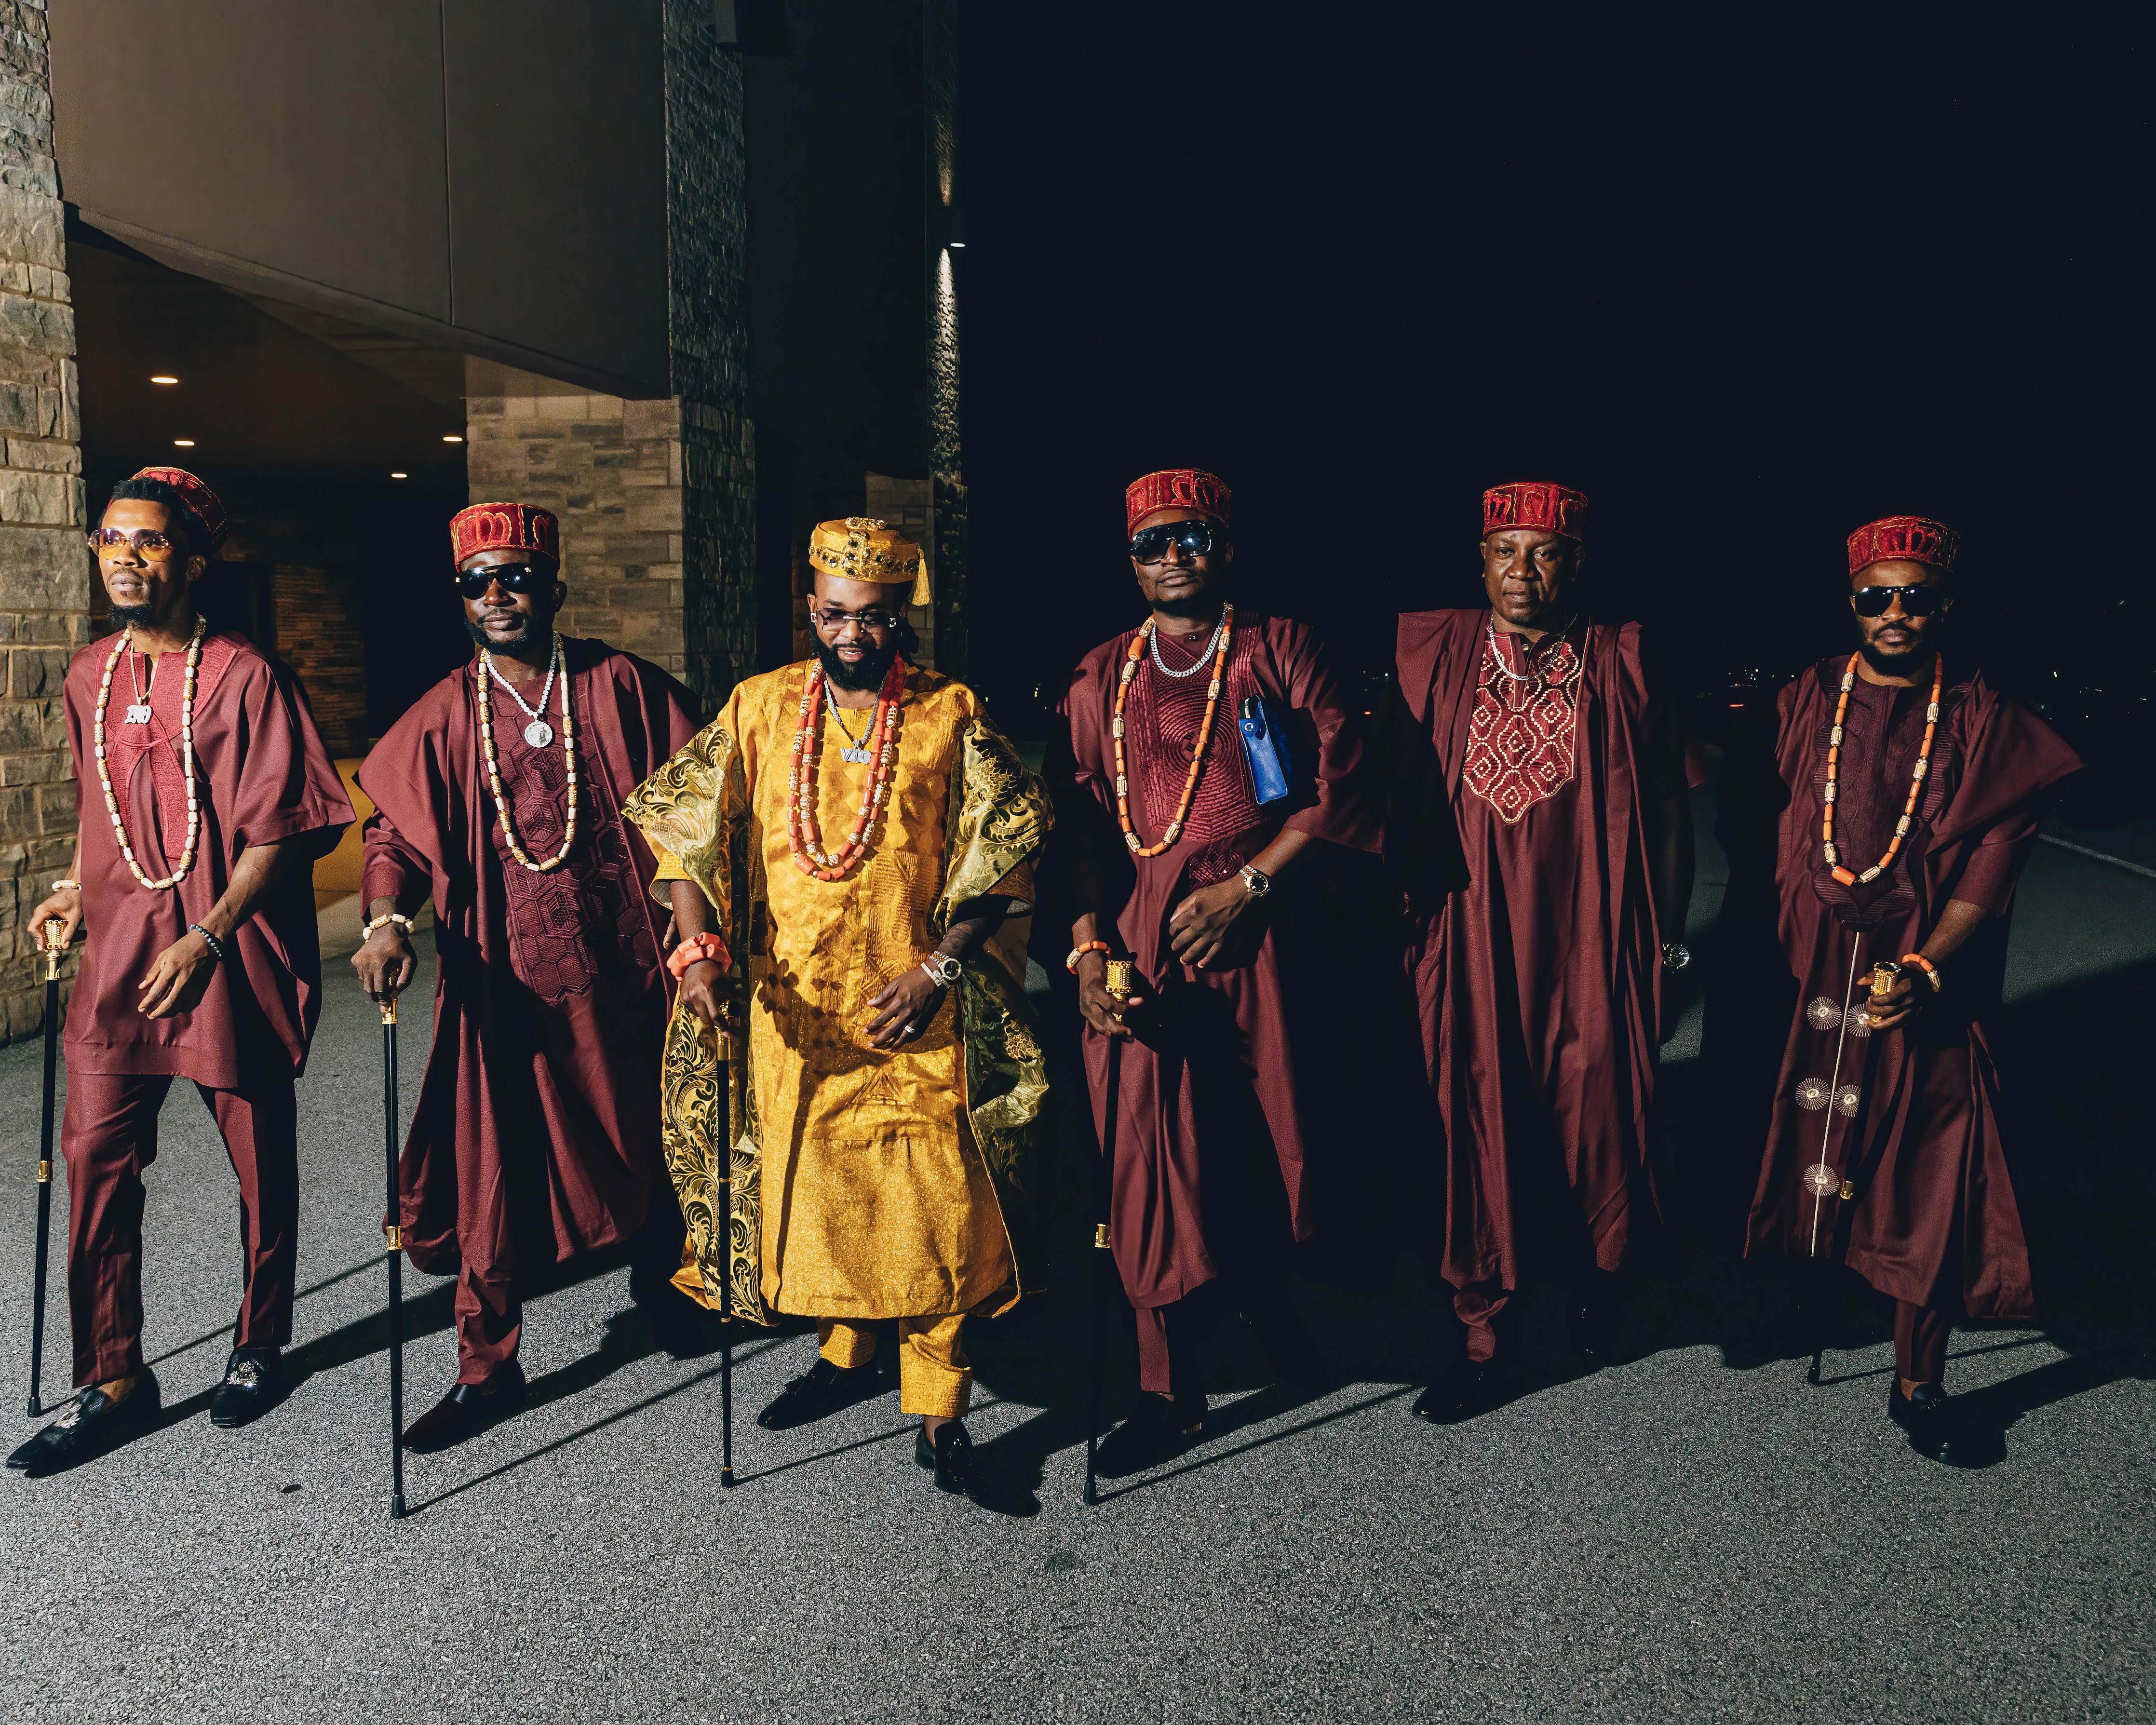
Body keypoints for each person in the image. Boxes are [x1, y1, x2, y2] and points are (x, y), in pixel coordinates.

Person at [623, 517, 1051, 1497]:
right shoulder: (761, 705)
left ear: (897, 614)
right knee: (827, 1206)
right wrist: (696, 949)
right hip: (793, 1016)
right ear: (809, 610)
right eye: (830, 613)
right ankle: (845, 1356)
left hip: (915, 1015)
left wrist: (940, 969)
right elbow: (689, 832)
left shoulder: (949, 711)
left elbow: (1003, 847)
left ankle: (940, 1414)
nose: (847, 632)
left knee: (937, 1212)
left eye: (866, 615)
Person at [1711, 514, 2079, 1462]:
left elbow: (1994, 858)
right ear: (1852, 604)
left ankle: (1919, 1381)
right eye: (1876, 595)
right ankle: (1807, 1290)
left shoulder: (1984, 718)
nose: (1895, 612)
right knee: (1795, 1132)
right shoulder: (1804, 698)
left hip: (1918, 968)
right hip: (1802, 962)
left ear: (1944, 604)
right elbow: (1749, 820)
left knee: (1927, 1165)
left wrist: (1927, 963)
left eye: (1915, 596)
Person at [8, 468, 352, 1477]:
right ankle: (114, 1375)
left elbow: (284, 835)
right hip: (118, 962)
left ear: (193, 560)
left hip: (221, 955)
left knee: (259, 1160)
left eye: (148, 542)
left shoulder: (246, 677)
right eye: (110, 538)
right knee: (94, 1165)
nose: (124, 556)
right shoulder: (87, 676)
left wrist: (208, 935)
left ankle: (260, 1340)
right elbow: (101, 807)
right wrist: (77, 887)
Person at [1048, 469, 1382, 1474]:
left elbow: (1340, 788)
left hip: (1265, 931)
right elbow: (1076, 835)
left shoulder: (1281, 649)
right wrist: (1086, 950)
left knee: (1255, 1138)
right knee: (1148, 1152)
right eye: (1151, 543)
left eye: (1190, 538)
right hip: (1140, 942)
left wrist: (1250, 890)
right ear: (1130, 560)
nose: (1172, 558)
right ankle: (1168, 1388)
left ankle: (1261, 1295)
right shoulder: (1099, 675)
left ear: (1225, 546)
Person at [352, 501, 703, 1451]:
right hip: (504, 986)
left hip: (628, 968)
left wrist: (699, 931)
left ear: (550, 587)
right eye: (478, 581)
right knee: (492, 1172)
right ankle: (486, 1365)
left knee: (655, 1136)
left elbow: (697, 800)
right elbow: (391, 835)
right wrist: (386, 921)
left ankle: (668, 1292)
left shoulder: (617, 683)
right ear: (459, 596)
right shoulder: (441, 714)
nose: (497, 595)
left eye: (515, 577)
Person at [1391, 480, 1692, 1421]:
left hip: (1591, 929)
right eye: (1506, 553)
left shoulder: (1625, 657)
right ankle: (1484, 1331)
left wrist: (1668, 940)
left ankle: (1598, 1283)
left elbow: (1673, 805)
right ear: (1478, 560)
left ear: (1577, 563)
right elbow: (1389, 796)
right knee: (1477, 1117)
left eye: (1546, 553)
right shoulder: (1431, 650)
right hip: (1470, 928)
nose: (1524, 572)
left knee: (1596, 1107)